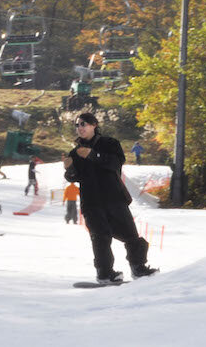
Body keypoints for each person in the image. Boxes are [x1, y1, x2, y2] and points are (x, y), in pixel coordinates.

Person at [63, 113, 158, 284]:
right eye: (77, 125)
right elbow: (74, 177)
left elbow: (116, 164)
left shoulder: (110, 143)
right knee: (100, 237)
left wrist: (93, 155)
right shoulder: (75, 152)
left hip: (115, 198)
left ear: (94, 125)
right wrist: (69, 169)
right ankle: (105, 273)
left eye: (83, 124)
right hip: (91, 202)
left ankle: (138, 268)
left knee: (131, 235)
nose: (80, 128)